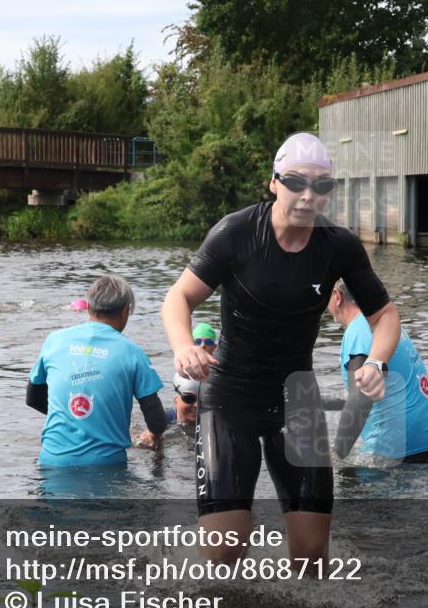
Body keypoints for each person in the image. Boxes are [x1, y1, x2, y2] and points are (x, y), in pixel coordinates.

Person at [160, 132, 400, 565]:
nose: (309, 196)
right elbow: (178, 298)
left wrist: (378, 363)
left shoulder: (339, 246)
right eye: (296, 182)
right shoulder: (235, 232)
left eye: (322, 186)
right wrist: (183, 347)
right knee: (224, 553)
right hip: (231, 397)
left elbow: (385, 317)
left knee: (312, 556)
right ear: (274, 182)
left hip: (297, 398)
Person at [27, 274, 167, 467]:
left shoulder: (54, 340)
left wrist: (75, 418)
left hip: (52, 461)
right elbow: (155, 418)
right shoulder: (132, 353)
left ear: (89, 307)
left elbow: (33, 399)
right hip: (107, 466)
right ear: (126, 311)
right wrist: (155, 436)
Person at [327, 280, 428, 463]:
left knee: (345, 485)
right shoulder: (386, 327)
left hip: (397, 451)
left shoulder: (357, 332)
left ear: (337, 296)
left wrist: (337, 454)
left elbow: (359, 400)